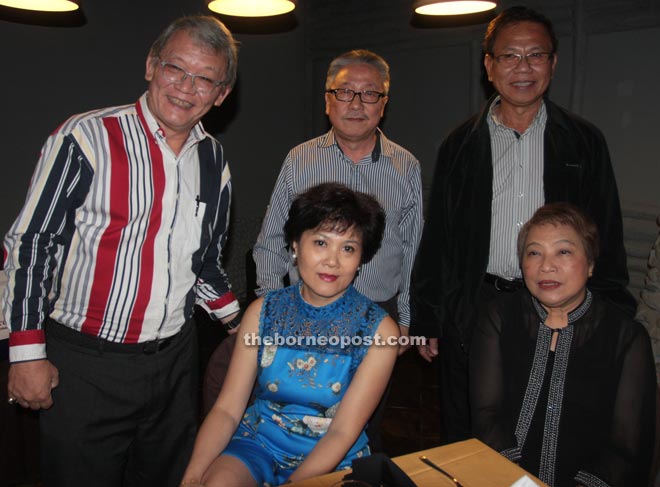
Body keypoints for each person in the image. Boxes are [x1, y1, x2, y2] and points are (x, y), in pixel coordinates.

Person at [3, 16, 240, 486]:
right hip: (86, 367)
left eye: (204, 79)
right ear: (152, 66)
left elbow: (204, 264)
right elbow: (33, 244)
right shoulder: (86, 137)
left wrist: (244, 326)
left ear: (221, 94)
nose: (186, 88)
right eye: (176, 69)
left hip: (174, 365)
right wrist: (25, 352)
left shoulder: (214, 161)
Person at [410, 5, 636, 443]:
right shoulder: (459, 144)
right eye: (510, 56)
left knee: (551, 428)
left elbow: (606, 232)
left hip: (559, 309)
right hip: (476, 307)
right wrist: (429, 318)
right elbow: (438, 237)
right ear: (489, 65)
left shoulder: (584, 141)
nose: (523, 67)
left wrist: (609, 319)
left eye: (536, 55)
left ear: (553, 63)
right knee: (471, 428)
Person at [181, 183, 400, 487]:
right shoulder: (263, 313)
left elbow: (342, 432)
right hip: (258, 444)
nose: (332, 261)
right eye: (321, 243)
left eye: (348, 248)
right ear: (295, 245)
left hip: (333, 459)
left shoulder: (379, 331)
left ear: (362, 259)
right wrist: (192, 476)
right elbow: (228, 409)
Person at [470, 202, 655, 487]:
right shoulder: (497, 317)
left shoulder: (626, 337)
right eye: (534, 253)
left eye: (563, 251)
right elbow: (486, 416)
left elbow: (625, 447)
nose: (546, 266)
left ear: (591, 263)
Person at [253, 48, 423, 343]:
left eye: (369, 94)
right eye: (345, 92)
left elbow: (413, 249)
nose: (356, 104)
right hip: (304, 313)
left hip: (378, 315)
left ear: (383, 105)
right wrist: (273, 309)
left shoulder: (406, 166)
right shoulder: (299, 160)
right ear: (327, 100)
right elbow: (271, 241)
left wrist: (406, 319)